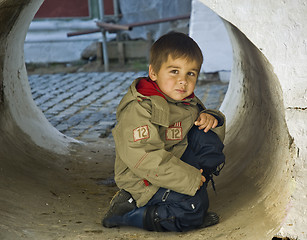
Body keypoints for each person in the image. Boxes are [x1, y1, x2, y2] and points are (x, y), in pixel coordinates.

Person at [102, 32, 226, 232]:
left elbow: (201, 134)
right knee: (193, 209)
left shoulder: (184, 101)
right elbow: (144, 156)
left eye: (191, 74)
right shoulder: (140, 108)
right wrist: (188, 179)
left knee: (208, 140)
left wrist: (211, 117)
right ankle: (129, 211)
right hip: (143, 176)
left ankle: (186, 196)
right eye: (174, 71)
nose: (183, 81)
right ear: (153, 73)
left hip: (171, 164)